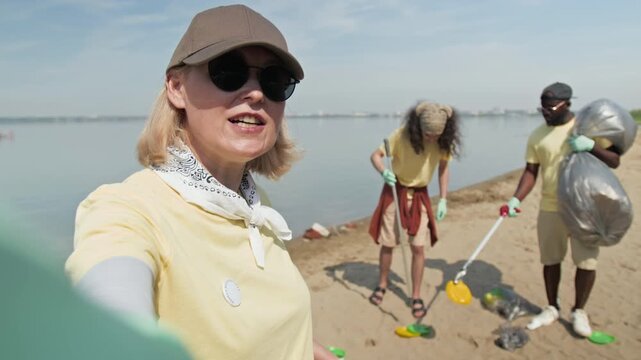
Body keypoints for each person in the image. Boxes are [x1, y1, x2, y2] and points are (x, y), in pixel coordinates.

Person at [65, 5, 336, 359]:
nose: (256, 93)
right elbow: (111, 312)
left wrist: (307, 348)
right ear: (176, 88)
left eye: (274, 81)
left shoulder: (254, 205)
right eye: (229, 72)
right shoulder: (129, 209)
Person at [502, 82, 621, 337]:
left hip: (585, 207)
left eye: (551, 107)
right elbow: (531, 172)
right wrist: (515, 199)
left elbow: (615, 161)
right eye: (542, 107)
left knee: (586, 261)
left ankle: (579, 311)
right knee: (550, 260)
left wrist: (591, 146)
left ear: (567, 103)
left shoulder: (587, 128)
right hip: (550, 206)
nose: (545, 111)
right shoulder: (537, 135)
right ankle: (552, 307)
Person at [368, 101, 461, 318]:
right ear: (418, 127)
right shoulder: (401, 136)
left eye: (435, 135)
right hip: (395, 191)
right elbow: (376, 156)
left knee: (418, 247)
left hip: (420, 195)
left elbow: (443, 170)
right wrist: (383, 171)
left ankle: (416, 294)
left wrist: (444, 199)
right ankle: (382, 284)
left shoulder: (443, 143)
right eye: (427, 134)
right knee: (388, 243)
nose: (431, 139)